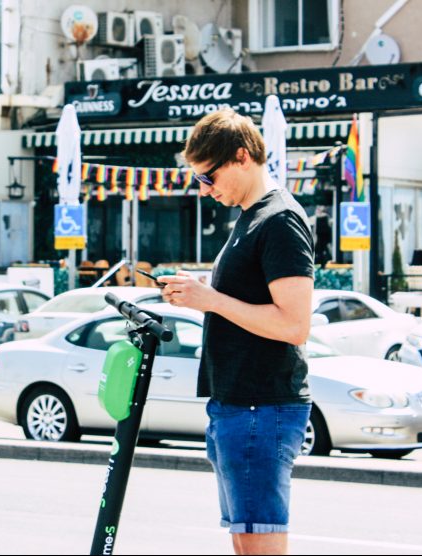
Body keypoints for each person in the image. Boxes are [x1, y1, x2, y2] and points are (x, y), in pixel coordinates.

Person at [159, 109, 315, 556]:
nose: (205, 190)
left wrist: (210, 300)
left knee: (259, 542)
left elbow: (294, 325)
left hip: (259, 403)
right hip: (240, 403)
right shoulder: (251, 216)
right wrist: (205, 290)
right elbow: (253, 301)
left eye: (208, 177)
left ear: (241, 157)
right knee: (247, 540)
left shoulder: (279, 219)